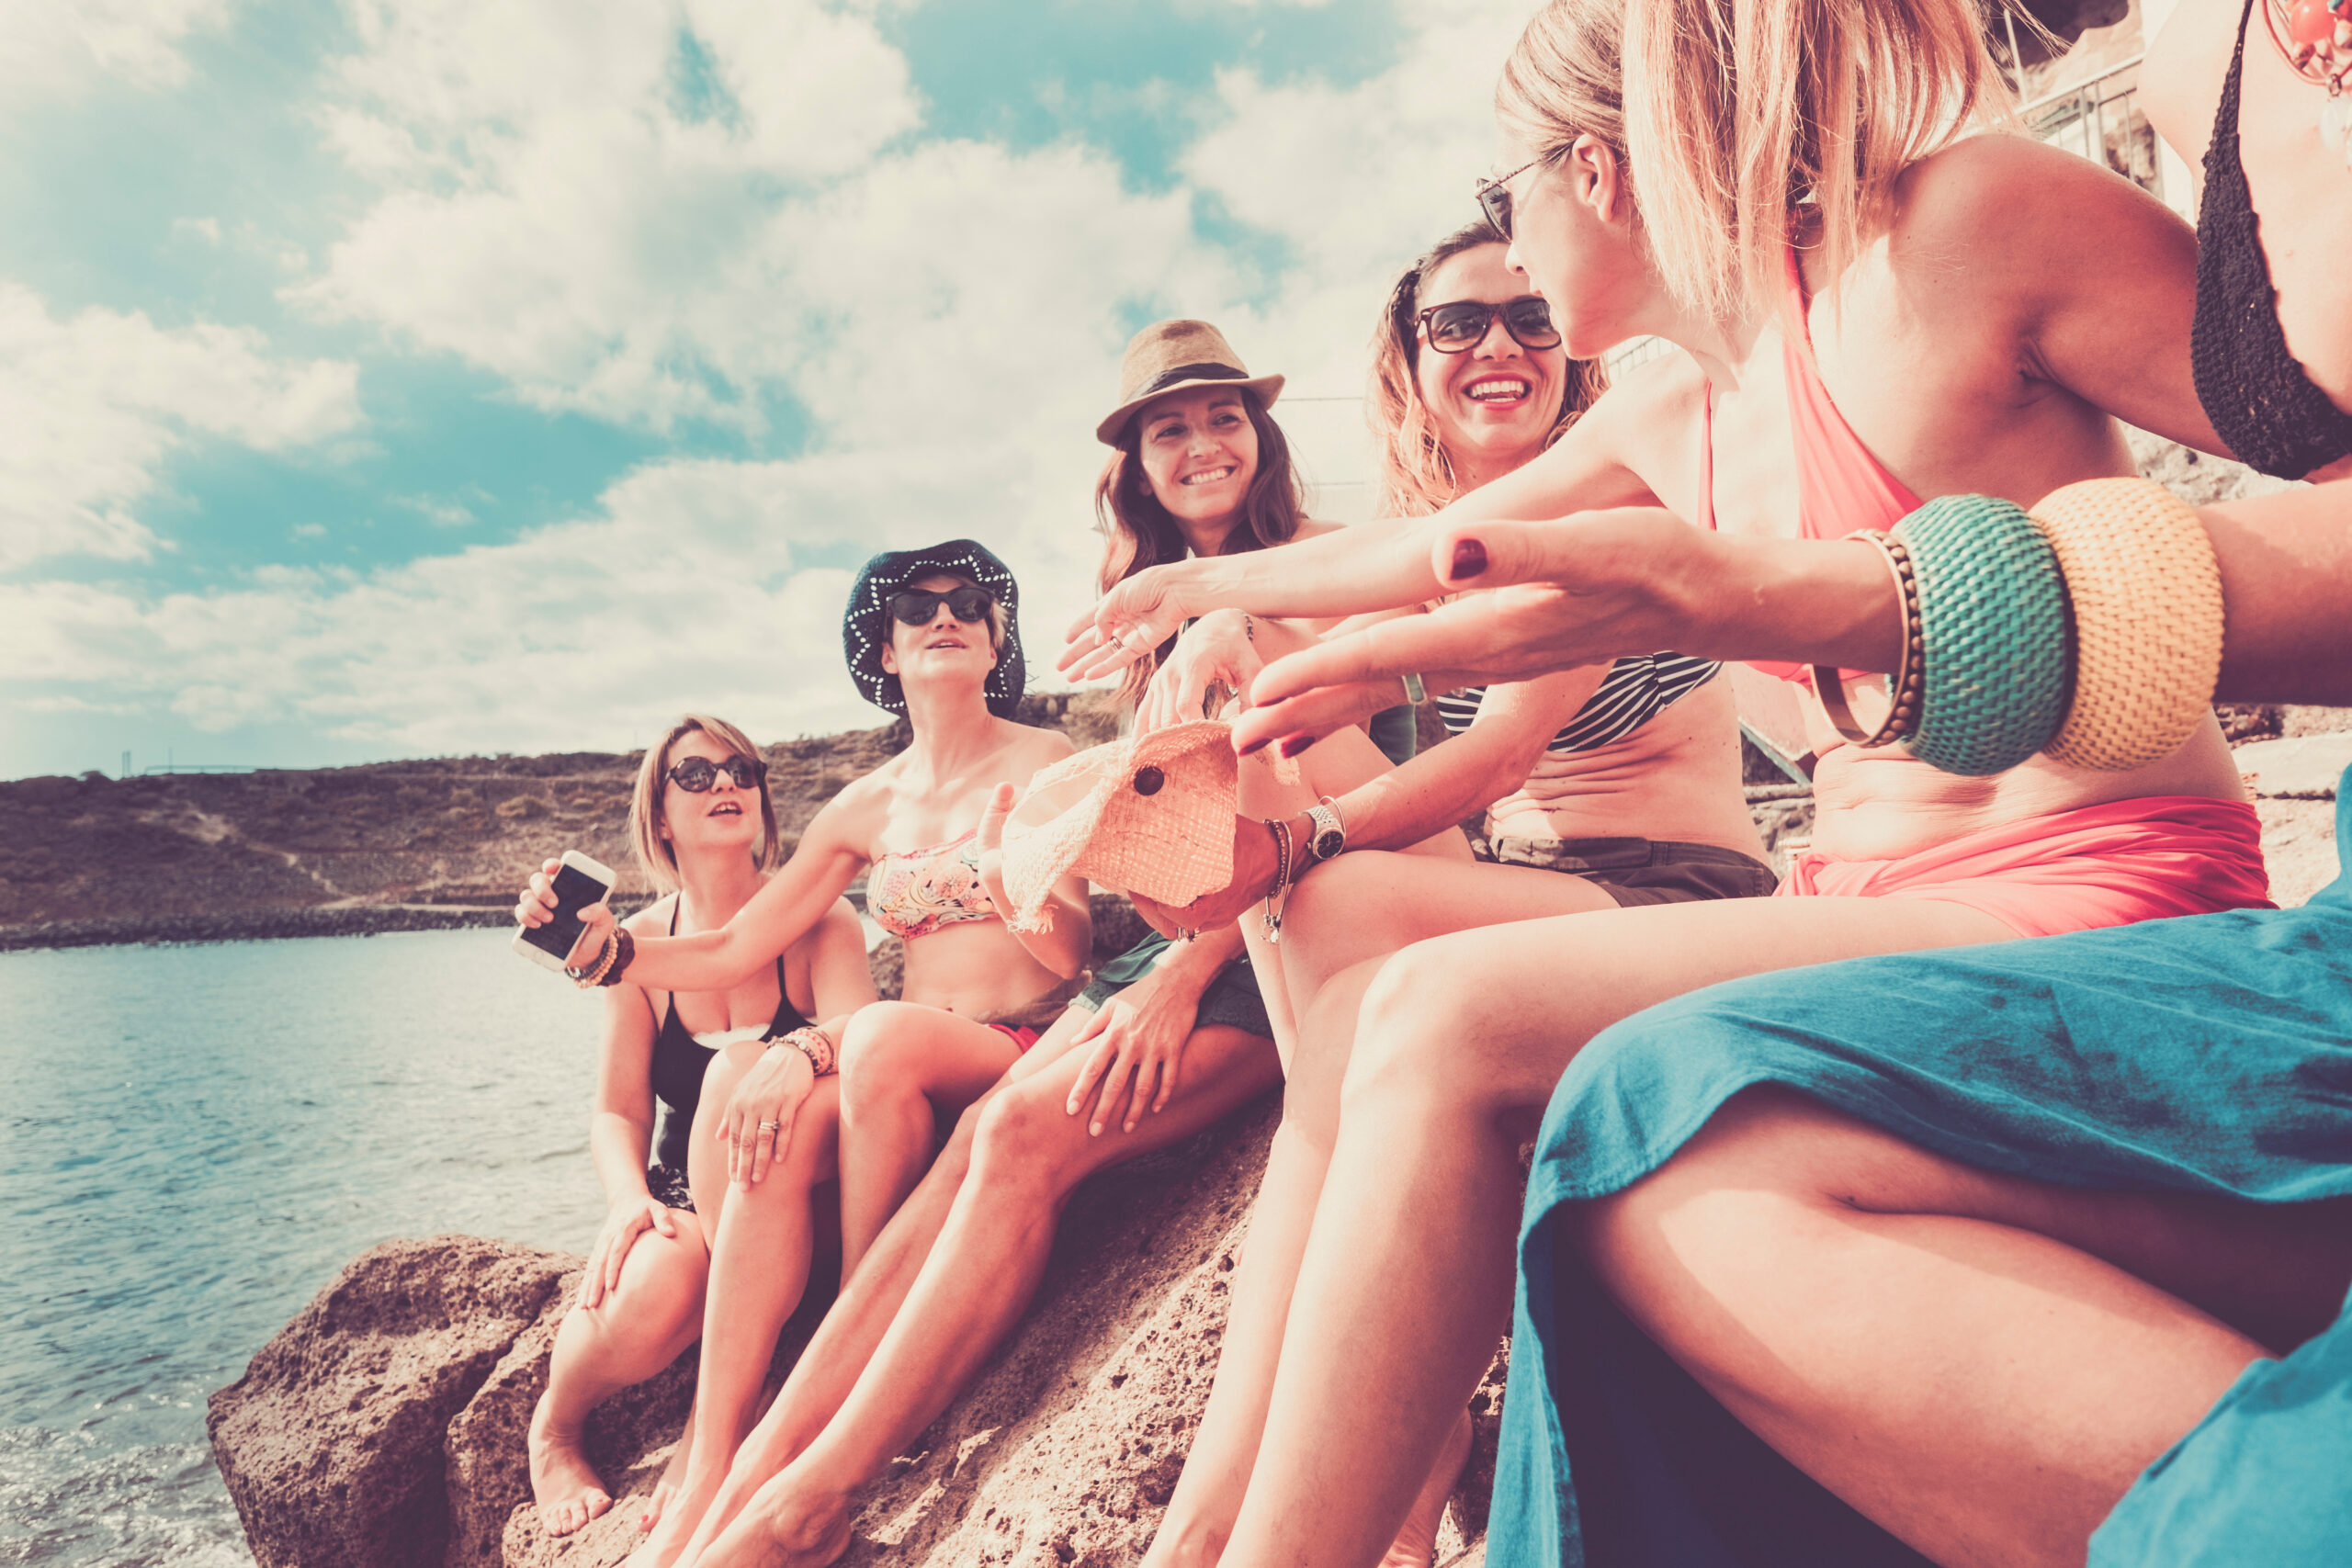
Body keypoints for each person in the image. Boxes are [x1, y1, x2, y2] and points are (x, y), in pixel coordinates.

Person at [1059, 0, 2285, 1560]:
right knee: (1448, 1043)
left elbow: (2304, 429)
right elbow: (1433, 559)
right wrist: (1204, 602)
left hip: (2102, 874)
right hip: (1863, 898)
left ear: (1595, 169)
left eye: (1507, 203)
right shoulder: (1673, 398)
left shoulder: (1965, 229)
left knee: (1441, 1015)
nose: (1505, 259)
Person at [1136, 227, 1778, 1568]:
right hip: (1531, 892)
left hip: (1671, 891)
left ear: (1572, 344)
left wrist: (1289, 836)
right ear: (1412, 365)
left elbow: (1491, 758)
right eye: (1459, 325)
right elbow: (1328, 648)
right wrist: (1218, 637)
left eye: (1533, 317)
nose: (1500, 346)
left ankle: (1248, 1505)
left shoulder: (1608, 509)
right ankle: (1336, 1465)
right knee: (1270, 749)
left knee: (1329, 902)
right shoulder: (1442, 544)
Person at [517, 540, 1091, 1568]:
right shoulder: (868, 804)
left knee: (867, 1039)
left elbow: (1075, 952)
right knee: (755, 1091)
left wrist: (1017, 886)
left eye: (968, 604)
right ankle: (714, 1450)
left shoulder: (1043, 760)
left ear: (998, 637)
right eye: (917, 608)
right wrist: (603, 953)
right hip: (896, 1060)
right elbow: (736, 943)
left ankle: (848, 1349)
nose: (944, 618)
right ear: (886, 645)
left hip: (1016, 1040)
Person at [527, 715, 875, 1540]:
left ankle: (715, 1422)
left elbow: (864, 1043)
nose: (727, 783)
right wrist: (627, 1201)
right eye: (697, 774)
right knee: (654, 1283)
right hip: (689, 1194)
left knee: (733, 1069)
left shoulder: (820, 922)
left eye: (743, 769)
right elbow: (618, 1108)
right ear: (658, 817)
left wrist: (791, 1056)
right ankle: (554, 1427)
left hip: (803, 1193)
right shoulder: (640, 946)